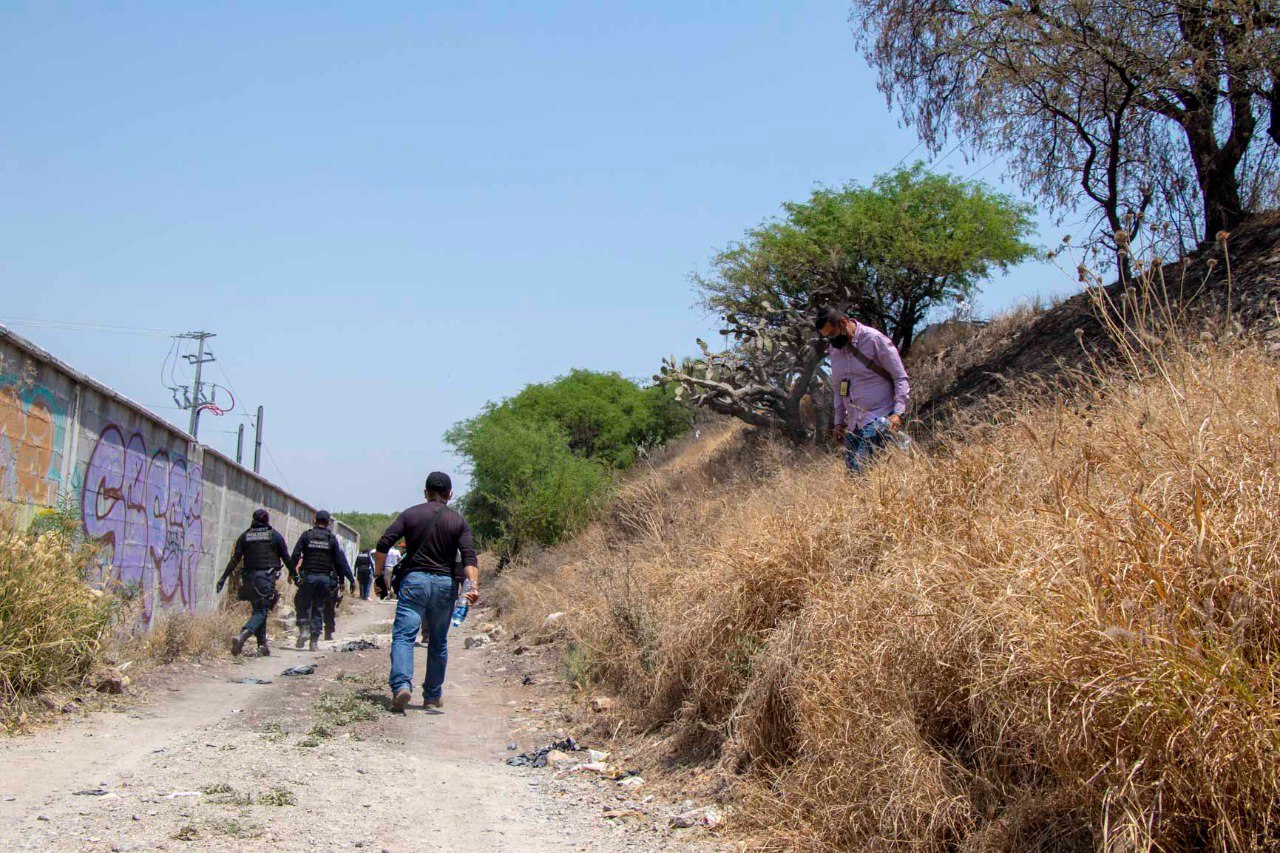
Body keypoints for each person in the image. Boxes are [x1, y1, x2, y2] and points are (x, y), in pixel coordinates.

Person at [374, 471, 478, 712]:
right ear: (450, 494)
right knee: (438, 642)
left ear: (425, 492)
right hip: (445, 584)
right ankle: (431, 696)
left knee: (403, 637)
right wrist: (473, 586)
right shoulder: (458, 521)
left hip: (415, 582)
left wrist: (380, 576)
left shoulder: (410, 514)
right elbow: (469, 557)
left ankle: (401, 686)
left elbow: (383, 543)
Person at [814, 306, 911, 473]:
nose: (831, 340)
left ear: (843, 322)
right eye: (827, 337)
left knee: (862, 471)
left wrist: (898, 412)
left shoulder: (874, 339)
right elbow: (839, 389)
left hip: (880, 416)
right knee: (854, 477)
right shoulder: (834, 350)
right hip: (854, 424)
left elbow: (900, 377)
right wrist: (838, 422)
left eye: (832, 334)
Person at [216, 508, 296, 657]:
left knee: (259, 610)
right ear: (267, 521)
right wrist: (295, 576)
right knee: (261, 612)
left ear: (253, 520)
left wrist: (223, 578)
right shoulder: (274, 536)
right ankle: (242, 635)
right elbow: (286, 557)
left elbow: (235, 560)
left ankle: (262, 645)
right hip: (265, 579)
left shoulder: (245, 536)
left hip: (248, 580)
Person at [291, 510, 356, 651]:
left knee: (302, 603)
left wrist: (292, 573)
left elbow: (295, 554)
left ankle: (303, 629)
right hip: (325, 579)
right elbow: (339, 561)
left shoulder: (307, 535)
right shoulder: (331, 539)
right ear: (327, 523)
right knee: (318, 608)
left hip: (309, 577)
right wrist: (341, 580)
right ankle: (314, 642)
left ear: (315, 520)